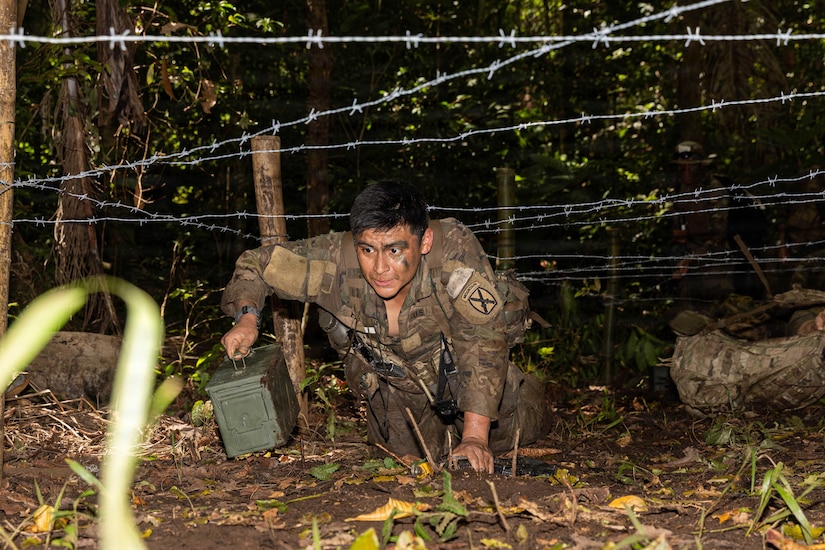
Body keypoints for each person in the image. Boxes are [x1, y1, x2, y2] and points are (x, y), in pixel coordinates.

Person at [220, 180, 549, 473]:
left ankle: (533, 399)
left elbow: (483, 339)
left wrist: (476, 437)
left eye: (394, 250)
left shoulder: (452, 253)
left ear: (424, 242)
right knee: (404, 462)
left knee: (509, 436)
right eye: (367, 250)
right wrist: (248, 317)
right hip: (398, 394)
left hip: (463, 380)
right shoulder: (334, 260)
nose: (379, 267)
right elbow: (258, 264)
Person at [670, 141, 735, 303]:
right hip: (688, 262)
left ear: (701, 167)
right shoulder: (681, 189)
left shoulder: (713, 190)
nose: (686, 172)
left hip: (715, 265)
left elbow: (718, 237)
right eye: (681, 167)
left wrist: (692, 258)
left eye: (691, 167)